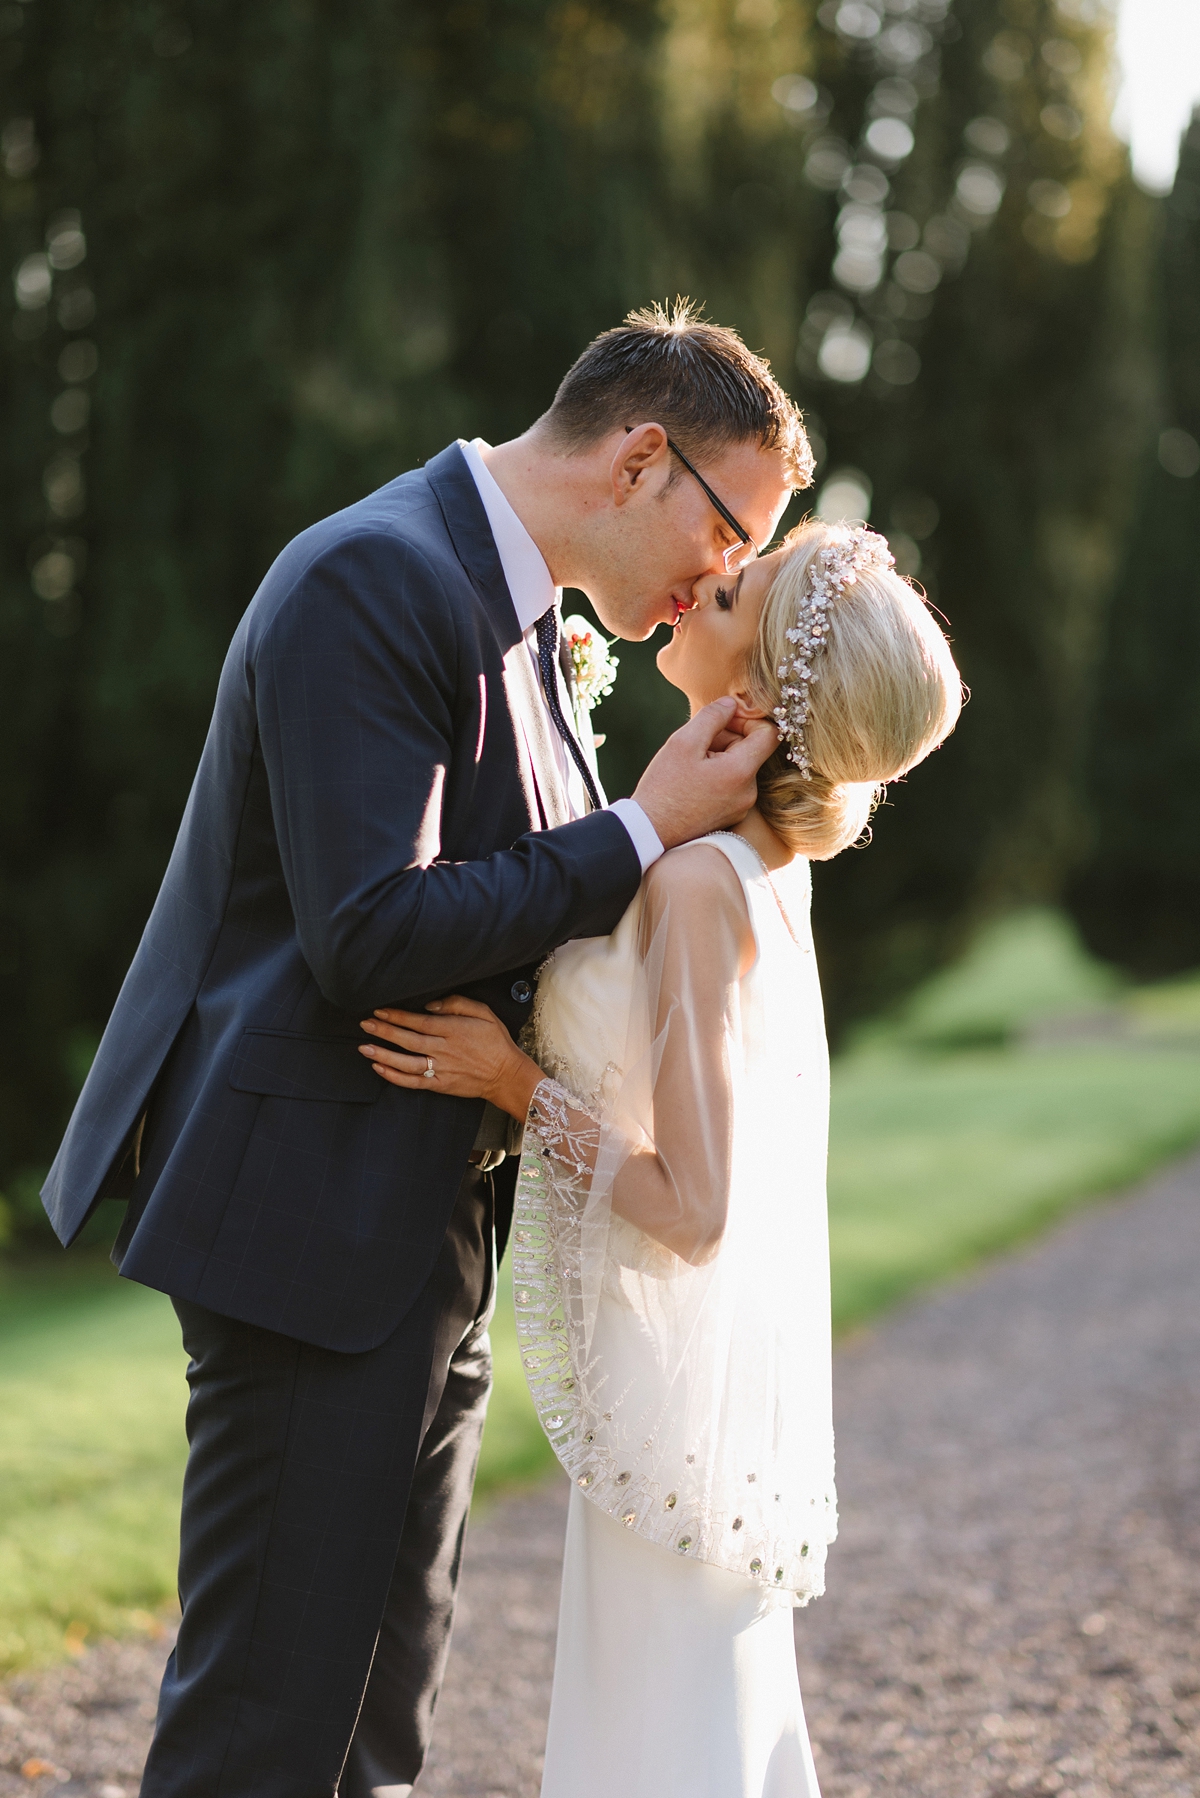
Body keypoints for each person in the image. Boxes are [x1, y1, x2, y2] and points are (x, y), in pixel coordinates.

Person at [39, 302, 812, 1797]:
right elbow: (367, 928)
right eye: (730, 530)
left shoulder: (529, 620)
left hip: (427, 1234)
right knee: (265, 1727)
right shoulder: (374, 577)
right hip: (309, 1227)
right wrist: (644, 825)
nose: (723, 572)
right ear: (642, 458)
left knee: (374, 1726)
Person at [360, 516, 963, 1796]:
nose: (698, 585)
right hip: (676, 1392)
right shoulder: (736, 860)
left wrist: (510, 1079)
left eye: (730, 589)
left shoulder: (701, 890)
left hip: (669, 1400)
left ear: (758, 690)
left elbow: (693, 1208)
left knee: (655, 1745)